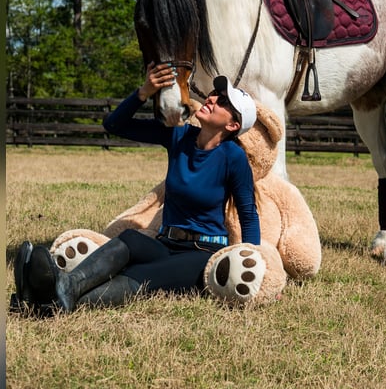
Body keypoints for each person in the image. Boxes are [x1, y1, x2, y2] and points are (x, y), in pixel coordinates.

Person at [13, 63, 260, 313]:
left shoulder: (234, 157)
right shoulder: (179, 136)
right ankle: (62, 288)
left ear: (232, 126)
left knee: (141, 274)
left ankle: (44, 298)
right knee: (131, 239)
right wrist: (144, 91)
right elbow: (115, 125)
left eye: (224, 102)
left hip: (203, 252)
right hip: (166, 243)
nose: (213, 98)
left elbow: (248, 214)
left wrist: (259, 268)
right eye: (216, 94)